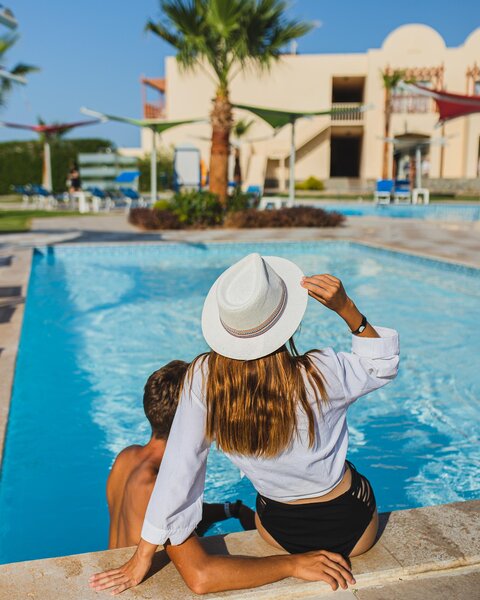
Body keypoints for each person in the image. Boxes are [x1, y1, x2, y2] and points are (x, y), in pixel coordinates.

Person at [90, 253, 399, 595]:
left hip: (279, 533)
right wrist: (347, 309)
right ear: (287, 321)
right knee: (349, 471)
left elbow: (180, 465)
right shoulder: (321, 372)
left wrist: (143, 554)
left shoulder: (205, 378)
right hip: (353, 532)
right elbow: (382, 365)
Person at [107, 360, 255, 549]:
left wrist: (232, 509)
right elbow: (199, 565)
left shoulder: (126, 457)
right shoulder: (157, 484)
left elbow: (157, 514)